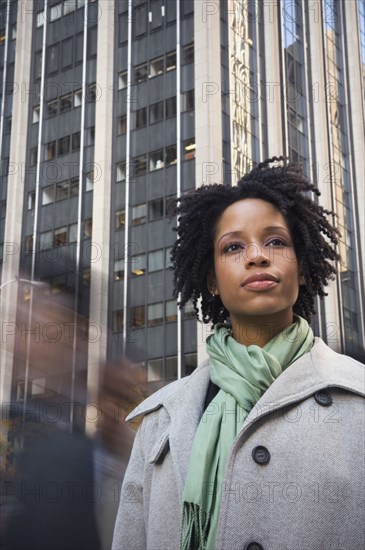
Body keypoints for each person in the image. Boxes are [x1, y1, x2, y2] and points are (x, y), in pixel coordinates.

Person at [112, 157, 365, 550]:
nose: (257, 255)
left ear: (301, 268)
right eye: (233, 246)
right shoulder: (160, 421)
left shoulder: (359, 397)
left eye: (276, 241)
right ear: (211, 279)